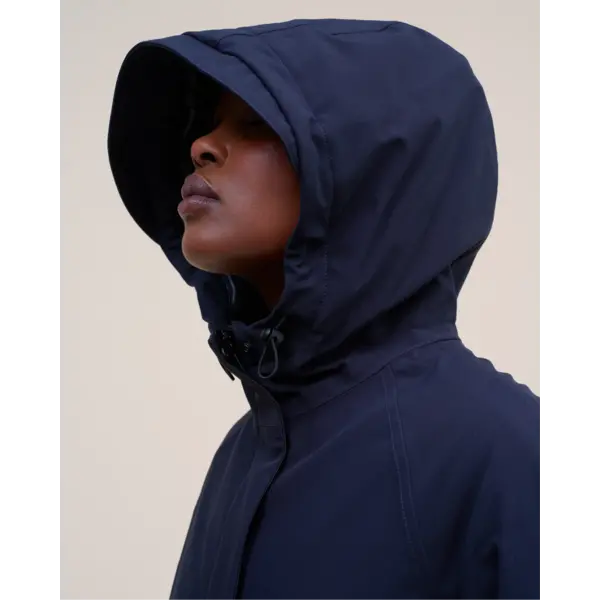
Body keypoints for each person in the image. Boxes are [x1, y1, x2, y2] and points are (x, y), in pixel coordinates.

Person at [108, 18, 541, 600]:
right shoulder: (242, 455)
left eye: (255, 123)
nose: (200, 145)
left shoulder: (504, 447)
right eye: (207, 124)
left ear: (370, 174)